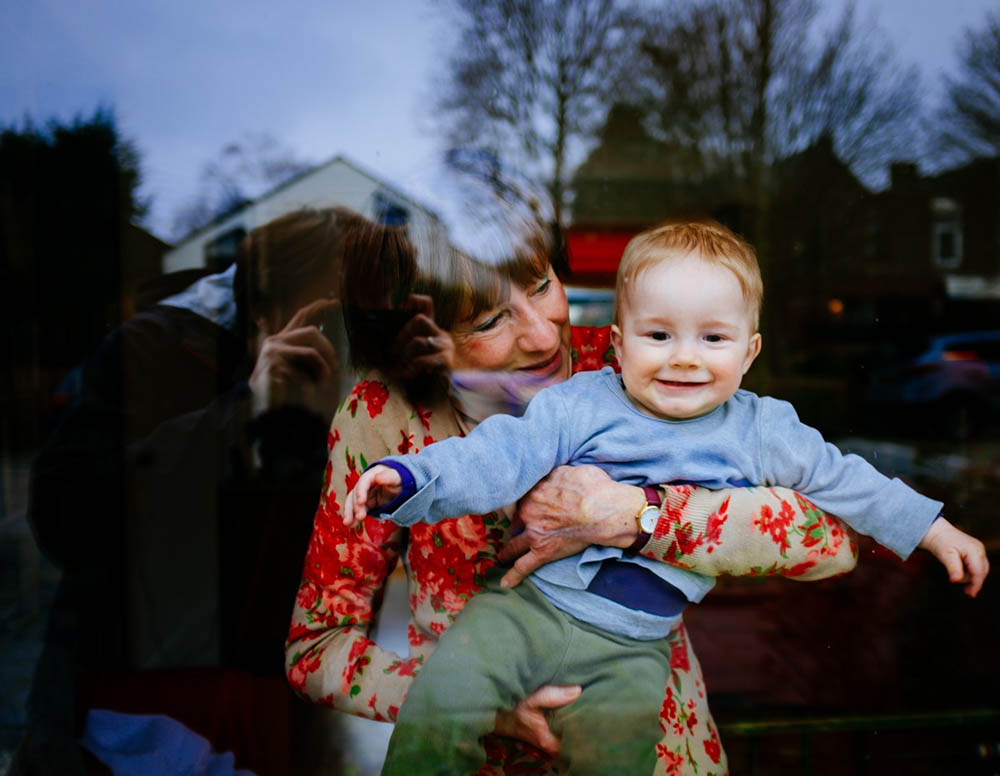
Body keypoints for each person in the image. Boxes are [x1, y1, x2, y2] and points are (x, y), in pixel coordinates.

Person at [346, 220, 989, 775]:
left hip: (633, 647)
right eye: (658, 336)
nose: (684, 358)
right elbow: (497, 455)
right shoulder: (581, 400)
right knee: (443, 699)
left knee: (616, 756)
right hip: (525, 614)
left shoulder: (762, 430)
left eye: (713, 338)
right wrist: (409, 479)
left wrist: (931, 529)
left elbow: (845, 484)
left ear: (750, 352)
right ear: (618, 343)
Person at [19, 207, 363, 775]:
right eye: (334, 316)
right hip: (138, 710)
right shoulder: (158, 351)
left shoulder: (354, 385)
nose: (349, 339)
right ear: (263, 313)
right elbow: (64, 514)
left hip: (275, 703)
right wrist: (241, 414)